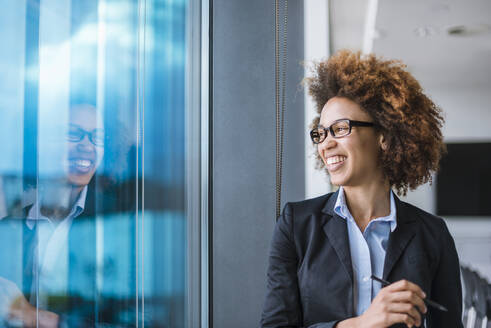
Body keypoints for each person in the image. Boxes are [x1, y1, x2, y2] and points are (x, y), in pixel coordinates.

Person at [260, 50, 463, 328]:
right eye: (321, 132)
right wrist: (361, 324)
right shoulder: (296, 225)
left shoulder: (432, 234)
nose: (325, 144)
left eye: (340, 128)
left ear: (384, 136)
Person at [0, 103, 105, 327]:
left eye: (98, 138)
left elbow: (139, 317)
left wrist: (41, 320)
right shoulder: (10, 228)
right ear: (41, 143)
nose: (87, 146)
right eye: (73, 134)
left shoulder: (116, 221)